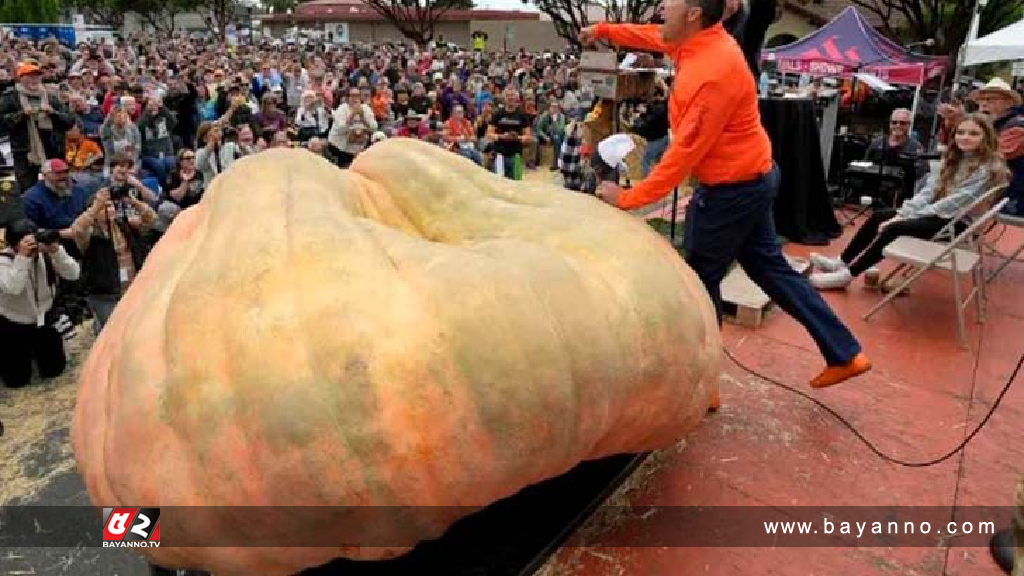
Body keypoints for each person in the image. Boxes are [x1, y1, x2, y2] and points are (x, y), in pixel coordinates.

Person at [580, 0, 871, 393]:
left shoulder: (711, 72)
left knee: (700, 279)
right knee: (770, 269)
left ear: (694, 12)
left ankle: (705, 385)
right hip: (751, 178)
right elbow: (653, 36)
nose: (662, 5)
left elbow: (683, 154)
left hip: (733, 191)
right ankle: (844, 353)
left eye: (672, 1)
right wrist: (604, 32)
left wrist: (628, 198)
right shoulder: (696, 40)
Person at [809, 113, 1009, 291]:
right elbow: (929, 192)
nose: (965, 137)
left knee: (894, 228)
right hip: (938, 215)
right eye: (961, 132)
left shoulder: (987, 168)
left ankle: (848, 275)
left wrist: (901, 219)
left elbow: (953, 204)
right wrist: (904, 212)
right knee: (879, 216)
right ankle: (842, 262)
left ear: (986, 137)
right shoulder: (953, 160)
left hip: (957, 223)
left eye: (973, 134)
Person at [0, 218, 81, 388]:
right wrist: (22, 258)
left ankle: (38, 358)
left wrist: (56, 251)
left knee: (54, 370)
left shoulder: (47, 254)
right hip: (15, 323)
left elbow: (73, 274)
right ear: (13, 244)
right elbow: (13, 287)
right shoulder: (3, 261)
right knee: (16, 381)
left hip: (44, 319)